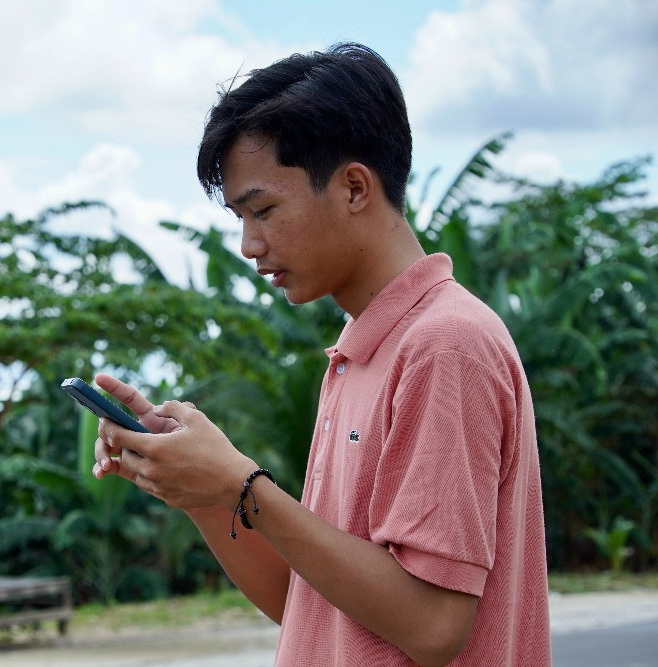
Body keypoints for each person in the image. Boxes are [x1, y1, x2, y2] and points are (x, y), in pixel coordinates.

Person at [92, 42, 550, 666]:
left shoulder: (445, 345)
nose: (249, 245)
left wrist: (241, 484)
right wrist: (202, 491)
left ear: (354, 187)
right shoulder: (362, 350)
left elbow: (433, 625)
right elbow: (309, 602)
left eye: (263, 210)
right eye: (241, 217)